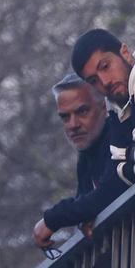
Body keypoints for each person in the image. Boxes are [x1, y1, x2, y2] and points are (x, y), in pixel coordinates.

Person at [30, 29, 135, 251]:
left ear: (124, 52)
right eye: (93, 80)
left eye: (105, 66)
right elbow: (114, 178)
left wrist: (57, 217)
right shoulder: (119, 106)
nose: (104, 81)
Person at [32, 73, 111, 251]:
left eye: (82, 112)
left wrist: (53, 218)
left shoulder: (117, 137)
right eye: (65, 117)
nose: (73, 124)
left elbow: (109, 193)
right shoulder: (87, 152)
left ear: (104, 107)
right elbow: (86, 201)